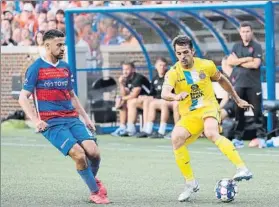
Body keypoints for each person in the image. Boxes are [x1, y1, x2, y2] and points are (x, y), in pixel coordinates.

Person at [18, 29, 109, 204]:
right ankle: (95, 191)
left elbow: (72, 96)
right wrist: (37, 121)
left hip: (72, 118)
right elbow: (23, 97)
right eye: (58, 45)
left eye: (63, 44)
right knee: (79, 154)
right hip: (51, 122)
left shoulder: (65, 67)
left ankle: (92, 180)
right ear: (47, 45)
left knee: (94, 153)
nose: (62, 48)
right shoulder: (36, 68)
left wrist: (87, 119)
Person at [161, 35, 253, 202]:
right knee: (176, 139)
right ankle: (190, 183)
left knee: (211, 132)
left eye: (186, 52)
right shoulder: (173, 72)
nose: (183, 56)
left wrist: (237, 99)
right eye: (179, 53)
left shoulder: (206, 65)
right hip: (190, 114)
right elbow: (164, 93)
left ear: (193, 51)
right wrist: (175, 97)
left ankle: (242, 168)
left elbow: (223, 80)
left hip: (209, 107)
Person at [227, 22, 266, 148]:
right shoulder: (236, 46)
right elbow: (230, 62)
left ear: (251, 32)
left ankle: (261, 138)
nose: (245, 34)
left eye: (247, 31)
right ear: (240, 33)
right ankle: (238, 138)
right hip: (238, 84)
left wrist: (238, 62)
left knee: (257, 112)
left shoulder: (257, 46)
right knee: (239, 112)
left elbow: (256, 64)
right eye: (243, 31)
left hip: (253, 85)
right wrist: (246, 59)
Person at [134, 57, 180, 138]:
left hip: (171, 100)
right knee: (150, 102)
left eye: (164, 65)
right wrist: (145, 97)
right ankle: (147, 129)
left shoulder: (169, 76)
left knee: (162, 103)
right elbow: (152, 94)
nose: (162, 67)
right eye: (160, 65)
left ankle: (162, 131)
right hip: (161, 100)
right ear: (156, 66)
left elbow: (171, 93)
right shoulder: (155, 78)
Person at [111, 61, 151, 136]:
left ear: (133, 70)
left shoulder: (138, 78)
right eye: (123, 69)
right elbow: (124, 93)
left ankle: (131, 129)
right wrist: (121, 84)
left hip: (149, 100)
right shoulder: (126, 79)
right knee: (124, 103)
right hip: (138, 100)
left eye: (127, 69)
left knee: (130, 101)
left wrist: (121, 99)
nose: (125, 72)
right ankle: (122, 127)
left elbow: (134, 95)